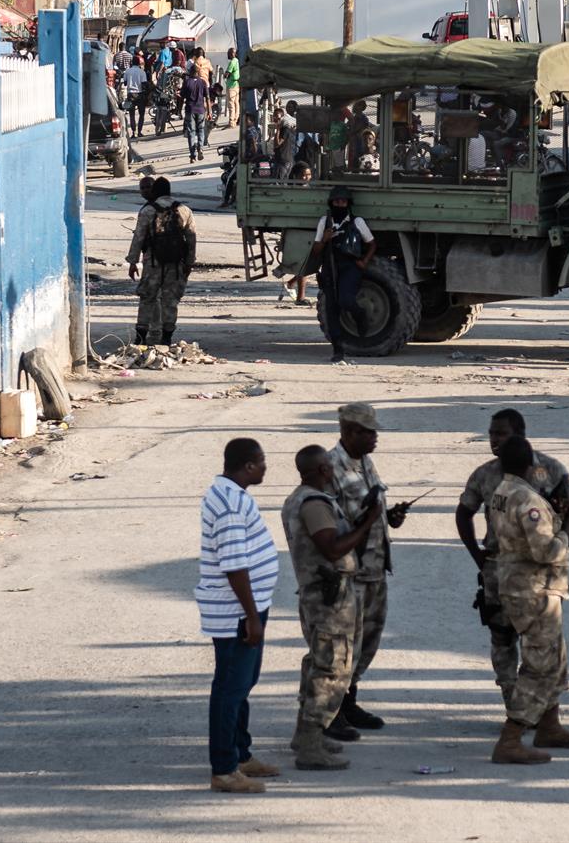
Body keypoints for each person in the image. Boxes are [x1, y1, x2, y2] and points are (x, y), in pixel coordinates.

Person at [455, 410, 569, 721]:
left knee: (540, 644)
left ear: (520, 435)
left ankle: (543, 714)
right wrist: (477, 555)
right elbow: (464, 513)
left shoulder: (548, 470)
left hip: (534, 573)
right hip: (500, 569)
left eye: (501, 434)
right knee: (502, 637)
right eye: (491, 434)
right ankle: (514, 704)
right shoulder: (485, 474)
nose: (494, 440)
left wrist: (562, 546)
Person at [280, 444, 382, 771]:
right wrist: (367, 525)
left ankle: (306, 733)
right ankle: (311, 741)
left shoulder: (302, 499)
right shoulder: (313, 503)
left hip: (322, 593)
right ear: (323, 470)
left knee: (319, 660)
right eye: (328, 466)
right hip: (329, 597)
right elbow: (331, 546)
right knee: (331, 665)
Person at [486, 434, 569, 764]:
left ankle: (549, 725)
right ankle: (511, 737)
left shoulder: (502, 492)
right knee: (540, 665)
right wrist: (565, 527)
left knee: (554, 656)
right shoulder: (528, 501)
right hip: (534, 591)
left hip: (521, 587)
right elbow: (547, 550)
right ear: (530, 467)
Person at [196, 437, 285, 793]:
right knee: (230, 689)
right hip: (236, 611)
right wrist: (250, 617)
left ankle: (241, 753)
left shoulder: (229, 494)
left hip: (245, 607)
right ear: (248, 466)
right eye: (262, 462)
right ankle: (224, 769)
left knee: (241, 684)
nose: (266, 467)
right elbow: (234, 566)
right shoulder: (231, 505)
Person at [325, 402, 410, 733]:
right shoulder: (331, 469)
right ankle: (329, 712)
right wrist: (369, 520)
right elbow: (329, 524)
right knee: (344, 646)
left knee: (368, 642)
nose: (375, 437)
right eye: (367, 432)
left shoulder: (365, 462)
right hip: (351, 574)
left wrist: (390, 517)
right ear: (347, 432)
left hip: (375, 568)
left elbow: (369, 509)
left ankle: (348, 701)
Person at [294, 186, 375, 362]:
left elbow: (371, 243)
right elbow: (316, 250)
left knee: (346, 300)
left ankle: (360, 315)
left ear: (348, 203)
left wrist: (364, 261)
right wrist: (325, 238)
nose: (340, 204)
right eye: (337, 201)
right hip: (330, 267)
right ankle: (338, 349)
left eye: (343, 201)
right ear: (332, 203)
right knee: (331, 311)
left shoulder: (357, 221)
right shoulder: (325, 221)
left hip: (350, 266)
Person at [126, 176, 196, 346]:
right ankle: (167, 337)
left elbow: (139, 237)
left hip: (152, 262)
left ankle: (141, 336)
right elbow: (191, 238)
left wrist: (133, 261)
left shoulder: (148, 210)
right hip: (176, 262)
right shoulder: (184, 210)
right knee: (170, 300)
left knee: (147, 297)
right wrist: (189, 262)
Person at [182, 63, 212, 162]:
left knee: (191, 132)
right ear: (198, 72)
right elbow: (207, 97)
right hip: (201, 110)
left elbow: (182, 95)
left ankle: (192, 155)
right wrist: (209, 111)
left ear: (191, 71)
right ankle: (200, 148)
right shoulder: (203, 82)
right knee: (201, 130)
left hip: (190, 110)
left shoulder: (186, 82)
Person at [122, 53, 147, 137]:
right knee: (141, 114)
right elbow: (144, 84)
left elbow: (125, 83)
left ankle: (133, 132)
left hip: (130, 95)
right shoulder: (142, 72)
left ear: (131, 62)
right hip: (139, 94)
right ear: (139, 63)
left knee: (131, 115)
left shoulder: (127, 71)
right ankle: (139, 132)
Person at [223, 46, 242, 128]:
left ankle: (231, 122)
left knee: (231, 104)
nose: (227, 55)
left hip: (231, 85)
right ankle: (235, 119)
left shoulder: (232, 62)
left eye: (228, 53)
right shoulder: (237, 61)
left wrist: (224, 75)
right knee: (236, 103)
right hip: (237, 85)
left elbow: (228, 73)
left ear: (232, 54)